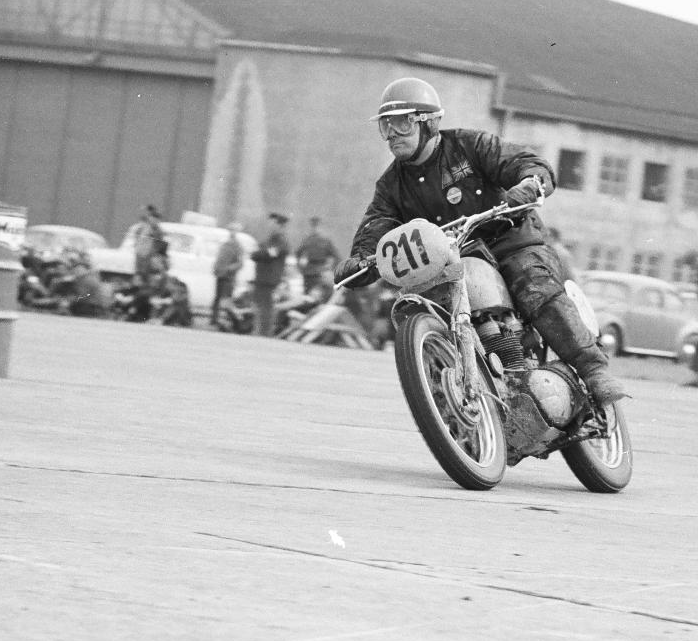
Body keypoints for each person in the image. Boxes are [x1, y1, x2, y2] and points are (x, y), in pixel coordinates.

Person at [333, 77, 626, 406]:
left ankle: (593, 370)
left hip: (510, 240)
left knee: (534, 286)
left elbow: (521, 163)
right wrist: (361, 259)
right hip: (452, 261)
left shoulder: (470, 146)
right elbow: (377, 224)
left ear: (428, 123)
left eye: (402, 123)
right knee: (421, 306)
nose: (391, 135)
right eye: (385, 126)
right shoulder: (391, 185)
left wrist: (529, 184)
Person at [251, 212, 290, 337]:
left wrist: (259, 253)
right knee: (259, 306)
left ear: (279, 225)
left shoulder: (280, 241)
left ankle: (265, 333)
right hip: (262, 277)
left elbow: (269, 254)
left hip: (270, 279)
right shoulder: (270, 240)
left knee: (267, 307)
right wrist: (260, 253)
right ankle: (259, 332)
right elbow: (257, 254)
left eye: (273, 223)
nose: (270, 225)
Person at [212, 222, 245, 324]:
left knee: (227, 299)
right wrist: (216, 267)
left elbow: (240, 263)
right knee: (217, 298)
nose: (232, 232)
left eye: (234, 230)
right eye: (231, 230)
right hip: (220, 274)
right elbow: (219, 258)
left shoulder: (238, 246)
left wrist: (229, 268)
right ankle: (214, 319)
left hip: (229, 277)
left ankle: (228, 320)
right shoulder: (225, 244)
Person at [295, 216, 338, 294]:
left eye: (316, 226)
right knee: (308, 294)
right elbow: (298, 253)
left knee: (320, 294)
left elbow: (335, 256)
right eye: (313, 226)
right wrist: (300, 267)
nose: (315, 229)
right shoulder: (306, 240)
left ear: (320, 227)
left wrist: (330, 268)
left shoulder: (325, 240)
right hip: (308, 272)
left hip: (321, 272)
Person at [128, 205, 166, 279]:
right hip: (141, 254)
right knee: (139, 274)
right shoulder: (142, 228)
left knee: (147, 276)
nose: (153, 220)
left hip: (151, 257)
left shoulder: (158, 231)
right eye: (152, 217)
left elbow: (160, 245)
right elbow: (137, 238)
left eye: (156, 219)